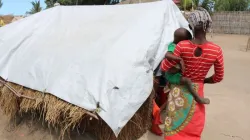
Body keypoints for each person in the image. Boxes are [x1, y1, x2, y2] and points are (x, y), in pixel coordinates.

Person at [161, 7, 224, 140]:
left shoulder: (181, 46)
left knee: (174, 129)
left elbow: (165, 67)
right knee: (193, 131)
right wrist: (203, 81)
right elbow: (219, 77)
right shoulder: (216, 50)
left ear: (190, 26)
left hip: (178, 92)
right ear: (208, 26)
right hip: (198, 93)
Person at [165, 28, 210, 104]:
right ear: (182, 41)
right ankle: (197, 98)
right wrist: (179, 59)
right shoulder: (173, 46)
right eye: (188, 40)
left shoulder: (180, 46)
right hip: (172, 74)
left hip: (176, 71)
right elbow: (167, 54)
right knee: (187, 81)